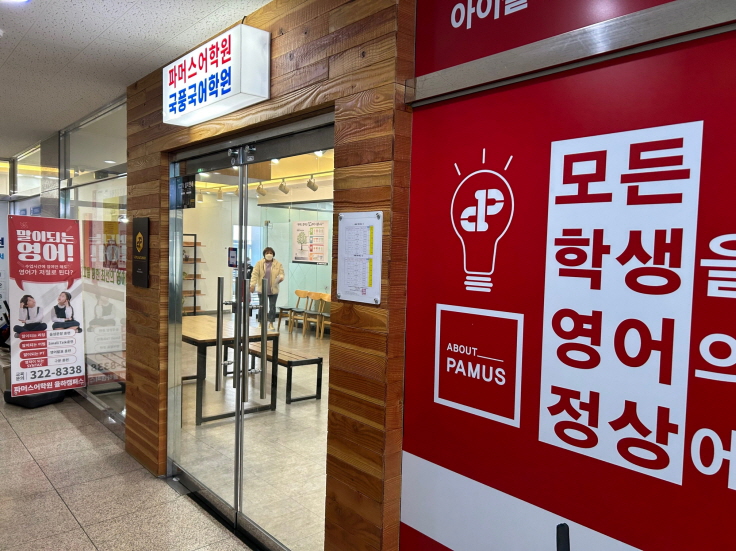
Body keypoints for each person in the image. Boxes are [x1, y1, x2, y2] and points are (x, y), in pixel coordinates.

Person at [250, 247, 284, 330]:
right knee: (262, 306)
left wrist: (281, 278)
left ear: (273, 254)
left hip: (273, 289)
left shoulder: (278, 264)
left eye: (271, 253)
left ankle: (271, 323)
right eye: (267, 253)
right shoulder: (259, 263)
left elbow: (282, 273)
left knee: (272, 307)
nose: (269, 254)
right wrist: (252, 285)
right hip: (262, 288)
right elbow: (254, 274)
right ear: (264, 254)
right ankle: (261, 322)